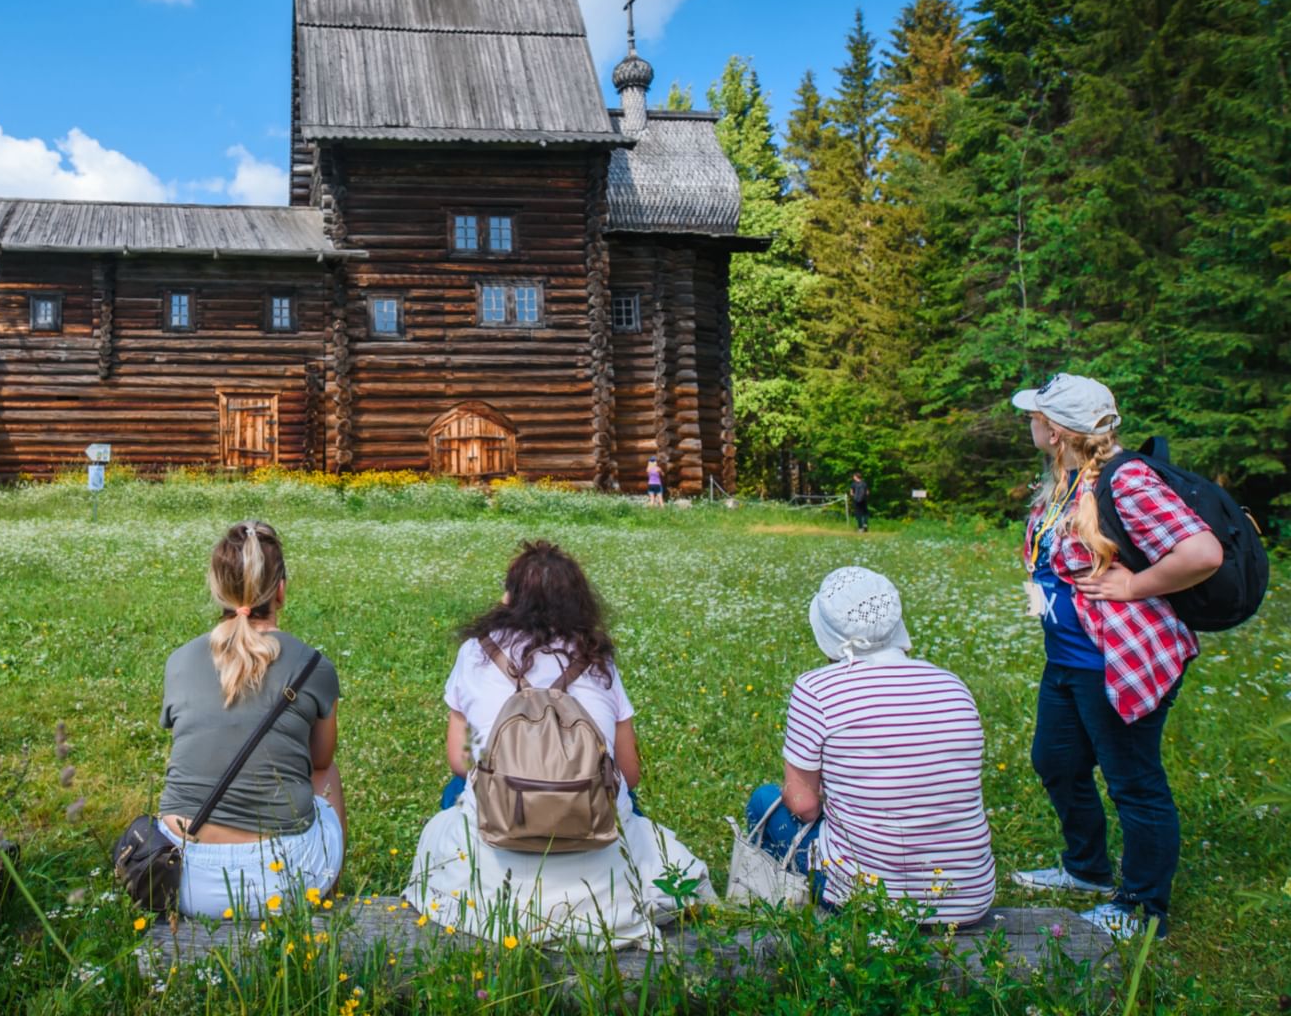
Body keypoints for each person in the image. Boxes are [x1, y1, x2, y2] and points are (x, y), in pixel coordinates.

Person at [405, 540, 713, 946]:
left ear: (509, 598)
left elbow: (463, 760)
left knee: (457, 791)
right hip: (591, 829)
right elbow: (629, 773)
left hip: (500, 823)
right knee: (628, 805)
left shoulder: (476, 654)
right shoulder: (599, 660)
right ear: (580, 602)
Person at [1010, 374, 1222, 939]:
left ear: (1055, 431)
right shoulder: (1066, 479)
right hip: (1069, 659)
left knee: (1134, 782)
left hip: (1116, 661)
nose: (1028, 422)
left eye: (1035, 416)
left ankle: (1142, 907)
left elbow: (1203, 552)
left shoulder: (1124, 481)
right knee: (1056, 762)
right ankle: (1087, 871)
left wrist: (1134, 586)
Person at [746, 566, 996, 925]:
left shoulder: (818, 690)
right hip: (969, 898)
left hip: (866, 899)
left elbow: (803, 806)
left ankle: (789, 913)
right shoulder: (952, 685)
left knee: (764, 800)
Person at [156, 521, 344, 919]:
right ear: (280, 590)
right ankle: (329, 895)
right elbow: (322, 760)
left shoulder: (179, 662)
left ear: (217, 588)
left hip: (182, 876)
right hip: (285, 880)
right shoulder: (314, 666)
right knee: (328, 777)